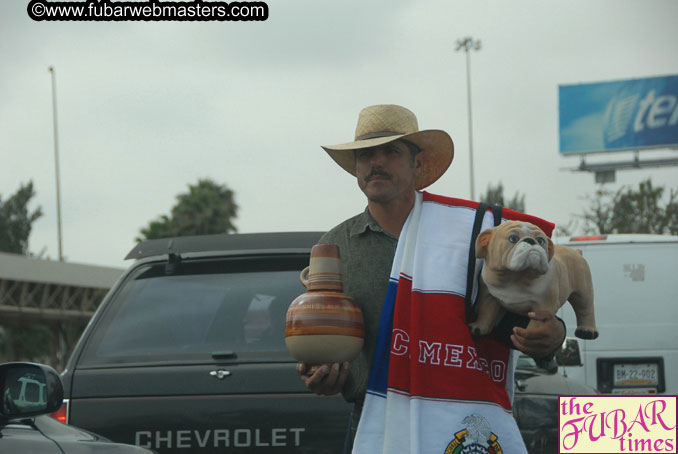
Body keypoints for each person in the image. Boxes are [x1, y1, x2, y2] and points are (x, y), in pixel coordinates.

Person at [296, 104, 565, 452]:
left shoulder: (474, 235)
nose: (376, 162)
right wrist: (317, 373)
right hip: (371, 423)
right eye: (366, 154)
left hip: (463, 423)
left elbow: (530, 312)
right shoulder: (334, 246)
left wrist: (553, 335)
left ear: (418, 163)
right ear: (357, 168)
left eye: (391, 151)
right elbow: (320, 338)